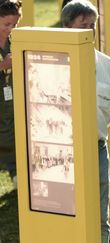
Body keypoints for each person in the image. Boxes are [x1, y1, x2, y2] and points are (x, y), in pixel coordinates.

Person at [61, 1, 110, 242]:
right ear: (67, 27)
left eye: (92, 26)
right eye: (82, 25)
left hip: (97, 150)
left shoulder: (107, 65)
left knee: (99, 218)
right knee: (66, 215)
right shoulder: (55, 62)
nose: (89, 31)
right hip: (64, 154)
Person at [0, 0, 21, 190]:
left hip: (11, 97)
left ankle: (16, 173)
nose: (11, 29)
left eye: (15, 25)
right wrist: (2, 66)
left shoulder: (17, 40)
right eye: (7, 24)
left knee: (13, 131)